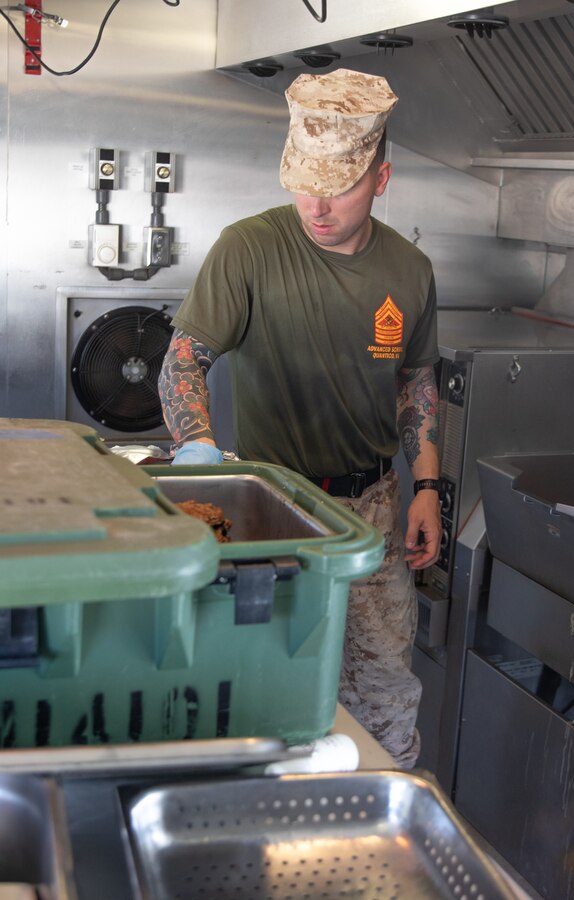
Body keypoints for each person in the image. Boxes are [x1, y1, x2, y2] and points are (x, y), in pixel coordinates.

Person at [158, 68, 441, 768]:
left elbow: (417, 380)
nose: (315, 204)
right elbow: (181, 361)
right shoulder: (248, 248)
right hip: (272, 511)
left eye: (338, 185)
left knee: (384, 702)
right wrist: (198, 451)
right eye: (302, 180)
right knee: (261, 694)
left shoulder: (410, 271)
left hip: (372, 513)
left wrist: (429, 486)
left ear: (380, 178)